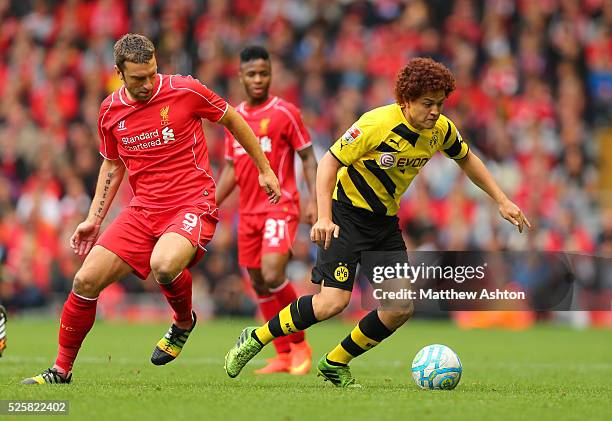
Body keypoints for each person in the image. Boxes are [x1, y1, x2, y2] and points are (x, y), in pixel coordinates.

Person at [224, 57, 531, 387]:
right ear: (405, 100)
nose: (435, 112)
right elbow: (328, 164)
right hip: (345, 215)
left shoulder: (440, 130)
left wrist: (502, 199)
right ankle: (256, 338)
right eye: (427, 104)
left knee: (399, 308)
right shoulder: (375, 124)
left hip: (383, 224)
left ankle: (335, 362)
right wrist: (324, 217)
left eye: (440, 104)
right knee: (332, 303)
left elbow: (467, 158)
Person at [22, 34, 281, 385]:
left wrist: (265, 169)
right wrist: (94, 219)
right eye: (137, 78)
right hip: (142, 211)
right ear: (118, 73)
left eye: (152, 74)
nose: (147, 84)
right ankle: (61, 370)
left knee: (163, 263)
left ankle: (182, 321)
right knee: (84, 280)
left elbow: (234, 120)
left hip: (191, 202)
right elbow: (113, 166)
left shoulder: (185, 90)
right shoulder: (109, 111)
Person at [216, 46, 317, 375]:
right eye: (252, 74)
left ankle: (301, 345)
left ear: (271, 74)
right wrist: (210, 204)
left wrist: (315, 200)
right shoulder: (233, 117)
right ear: (241, 76)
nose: (258, 79)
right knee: (259, 282)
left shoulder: (286, 112)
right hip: (248, 213)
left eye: (264, 73)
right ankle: (284, 353)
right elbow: (231, 169)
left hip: (281, 205)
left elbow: (308, 157)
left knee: (274, 273)